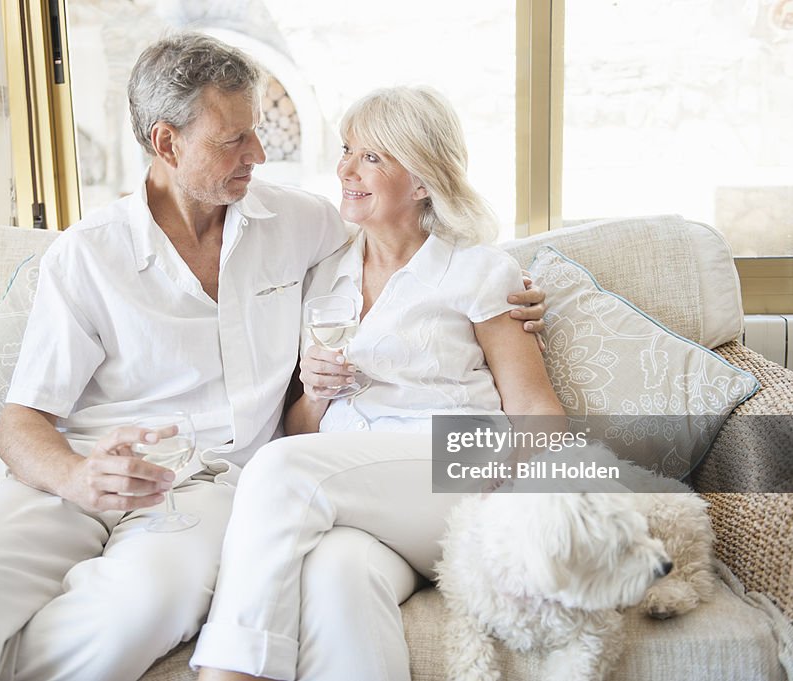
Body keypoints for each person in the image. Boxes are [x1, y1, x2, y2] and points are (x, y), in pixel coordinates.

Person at [0, 34, 545, 681]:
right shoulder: (88, 255)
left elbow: (412, 228)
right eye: (234, 139)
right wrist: (77, 476)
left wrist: (510, 286)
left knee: (137, 610)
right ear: (167, 142)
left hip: (213, 488)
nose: (260, 151)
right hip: (78, 473)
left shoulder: (300, 223)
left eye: (255, 129)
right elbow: (21, 422)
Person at [192, 86, 567, 681]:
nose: (344, 169)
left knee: (281, 467)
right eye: (346, 149)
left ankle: (227, 672)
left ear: (421, 181)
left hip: (462, 476)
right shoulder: (325, 280)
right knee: (339, 573)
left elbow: (535, 410)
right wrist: (313, 392)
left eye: (371, 156)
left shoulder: (479, 270)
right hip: (371, 503)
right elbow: (303, 427)